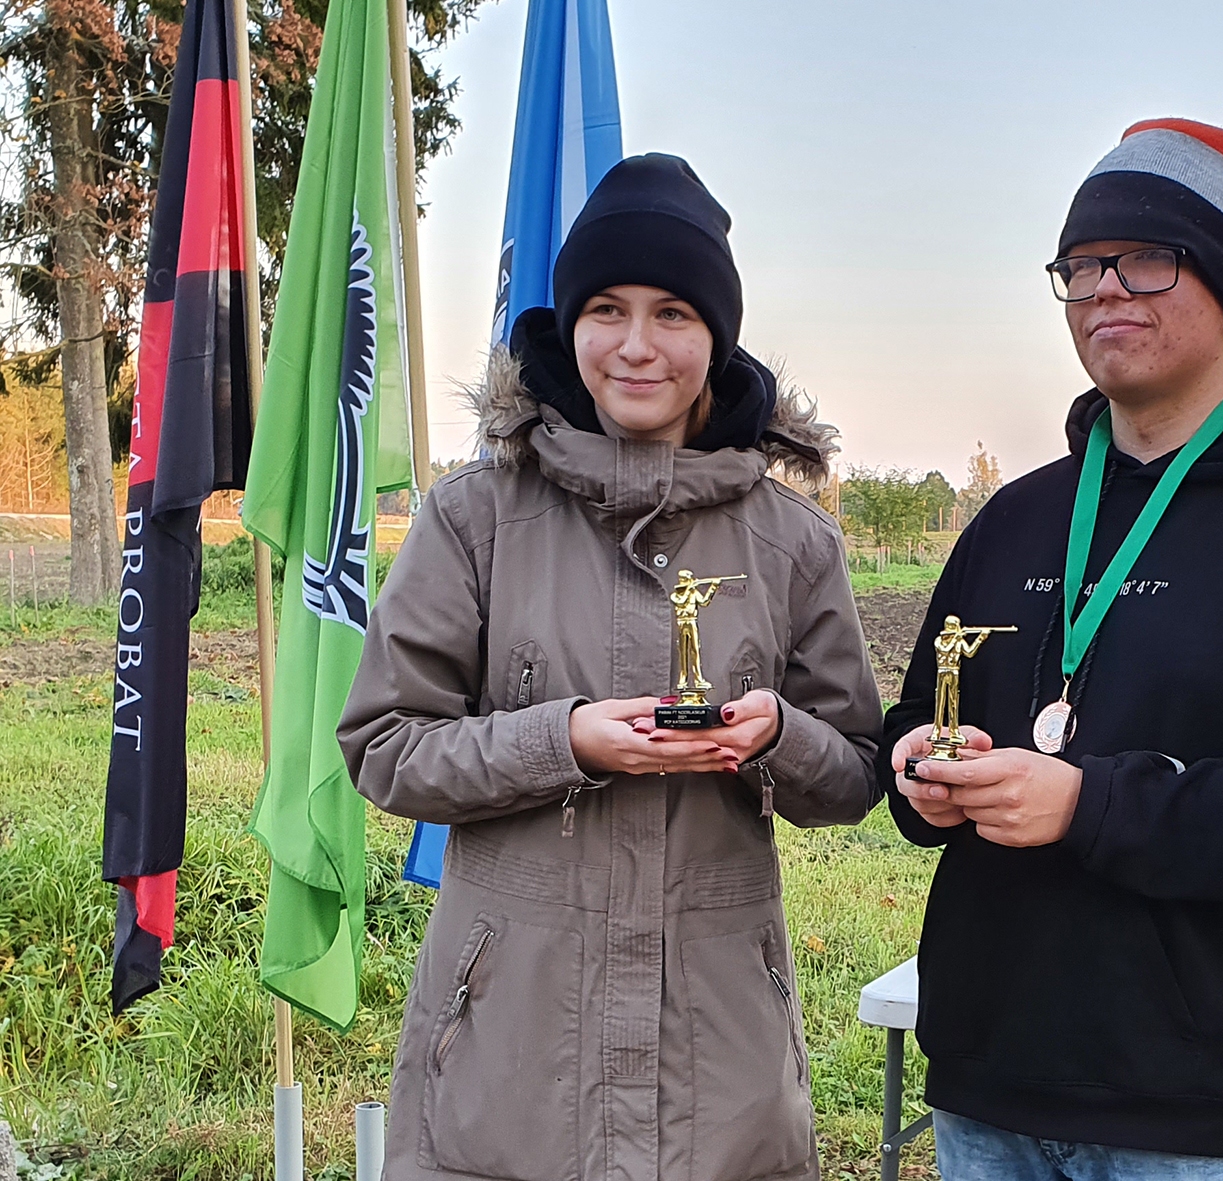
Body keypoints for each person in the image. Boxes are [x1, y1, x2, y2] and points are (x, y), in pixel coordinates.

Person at [883, 118, 1223, 1179]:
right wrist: (916, 770)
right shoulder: (1014, 517)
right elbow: (914, 715)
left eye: (1144, 259)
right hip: (986, 1080)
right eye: (1080, 265)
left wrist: (1086, 804)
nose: (1102, 290)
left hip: (1195, 1108)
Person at [340, 153, 882, 1181]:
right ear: (570, 323)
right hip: (509, 1065)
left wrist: (777, 737)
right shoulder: (472, 517)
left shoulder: (793, 542)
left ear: (716, 336)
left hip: (720, 1066)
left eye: (673, 312)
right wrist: (565, 740)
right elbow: (386, 746)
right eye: (606, 309)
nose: (637, 345)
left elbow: (856, 771)